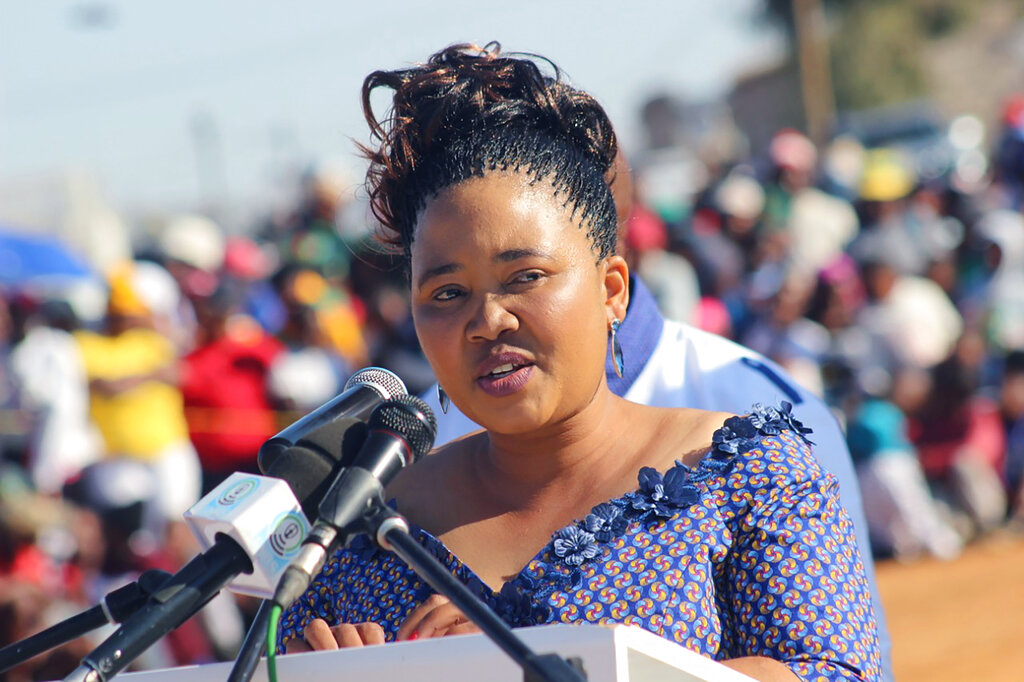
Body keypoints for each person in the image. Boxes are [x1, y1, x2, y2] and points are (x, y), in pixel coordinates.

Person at [278, 44, 881, 682]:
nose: (487, 321)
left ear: (611, 289)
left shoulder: (746, 474)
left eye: (526, 276)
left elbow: (832, 672)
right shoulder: (361, 525)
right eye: (447, 293)